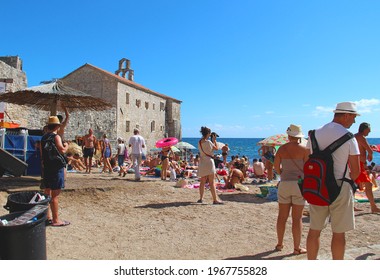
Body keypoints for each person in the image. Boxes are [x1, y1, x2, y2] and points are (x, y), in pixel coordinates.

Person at [306, 101, 360, 260]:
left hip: (317, 185)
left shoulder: (313, 134)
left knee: (314, 231)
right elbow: (356, 171)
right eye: (353, 117)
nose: (354, 121)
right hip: (340, 186)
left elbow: (307, 160)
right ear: (346, 115)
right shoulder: (349, 137)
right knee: (338, 233)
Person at [274, 124, 309, 255]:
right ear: (299, 137)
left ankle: (279, 244)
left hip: (284, 183)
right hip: (299, 184)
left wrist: (283, 173)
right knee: (297, 218)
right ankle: (297, 248)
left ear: (289, 136)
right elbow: (307, 168)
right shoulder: (305, 150)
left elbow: (276, 167)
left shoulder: (281, 149)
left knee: (282, 217)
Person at [41, 116, 70, 227]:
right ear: (57, 126)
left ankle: (47, 216)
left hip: (47, 167)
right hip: (56, 167)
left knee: (47, 193)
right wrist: (66, 146)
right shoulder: (55, 136)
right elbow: (62, 150)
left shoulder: (43, 138)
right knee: (55, 195)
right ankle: (56, 220)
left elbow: (42, 155)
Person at [354, 122, 380, 213]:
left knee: (352, 185)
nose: (370, 132)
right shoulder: (362, 137)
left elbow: (362, 148)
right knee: (368, 185)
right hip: (360, 165)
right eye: (368, 130)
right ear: (364, 129)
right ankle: (373, 207)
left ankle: (352, 206)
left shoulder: (354, 136)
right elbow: (369, 151)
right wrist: (370, 154)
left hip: (354, 164)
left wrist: (369, 148)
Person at [197, 126, 223, 204]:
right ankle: (215, 200)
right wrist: (214, 140)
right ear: (208, 133)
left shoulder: (199, 142)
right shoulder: (209, 142)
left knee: (202, 181)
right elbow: (216, 148)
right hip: (209, 162)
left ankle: (201, 198)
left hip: (202, 162)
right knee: (211, 182)